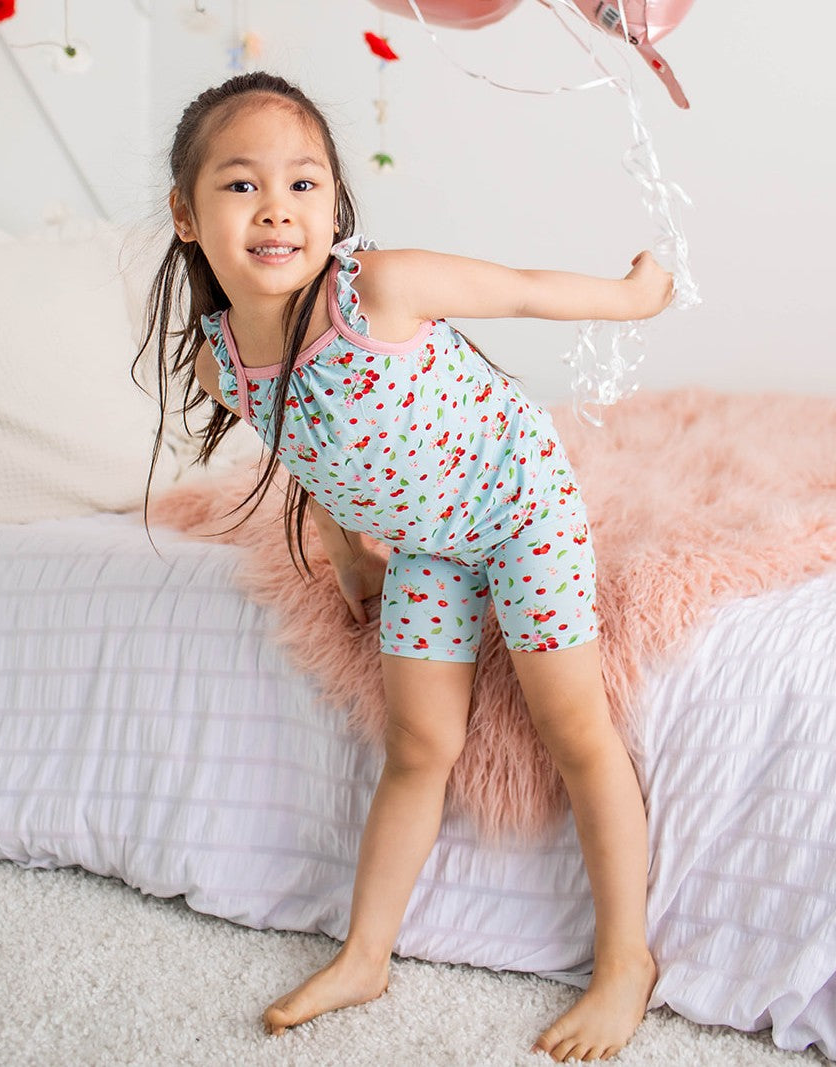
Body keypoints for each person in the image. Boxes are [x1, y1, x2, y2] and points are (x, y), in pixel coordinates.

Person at [138, 71, 673, 1063]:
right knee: (419, 743)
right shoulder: (223, 362)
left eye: (303, 184)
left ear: (333, 205)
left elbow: (521, 288)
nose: (276, 209)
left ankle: (623, 961)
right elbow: (309, 447)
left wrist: (630, 297)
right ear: (185, 214)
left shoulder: (374, 290)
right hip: (426, 545)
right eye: (242, 184)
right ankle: (365, 954)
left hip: (517, 505)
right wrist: (349, 554)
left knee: (573, 728)